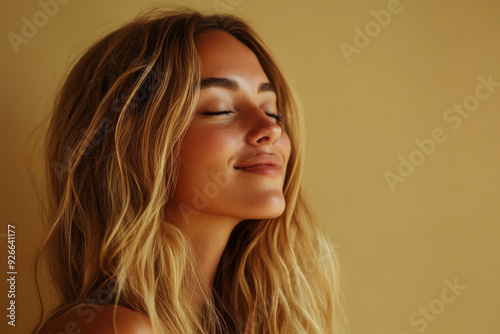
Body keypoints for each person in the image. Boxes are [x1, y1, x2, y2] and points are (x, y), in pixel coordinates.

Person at [31, 7, 347, 334]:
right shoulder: (112, 328)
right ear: (129, 149)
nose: (270, 129)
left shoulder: (250, 322)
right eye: (219, 109)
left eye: (273, 111)